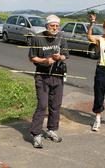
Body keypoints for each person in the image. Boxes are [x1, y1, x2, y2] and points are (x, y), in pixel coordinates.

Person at [28, 14, 69, 148]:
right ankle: (36, 134)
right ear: (47, 26)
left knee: (56, 105)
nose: (55, 28)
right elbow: (32, 58)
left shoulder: (61, 37)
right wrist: (45, 61)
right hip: (42, 76)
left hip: (58, 75)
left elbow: (66, 55)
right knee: (42, 105)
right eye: (52, 26)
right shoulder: (37, 38)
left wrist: (60, 57)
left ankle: (52, 130)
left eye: (57, 26)